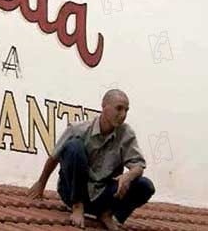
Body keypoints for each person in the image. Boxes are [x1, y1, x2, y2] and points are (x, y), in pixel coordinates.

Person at [27, 89, 155, 230]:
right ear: (104, 106)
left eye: (126, 110)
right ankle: (77, 206)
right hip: (72, 191)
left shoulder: (126, 134)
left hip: (102, 195)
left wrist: (128, 176)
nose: (123, 115)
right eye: (119, 108)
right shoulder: (79, 129)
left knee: (145, 186)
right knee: (74, 147)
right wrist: (41, 183)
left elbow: (139, 165)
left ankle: (108, 214)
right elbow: (54, 157)